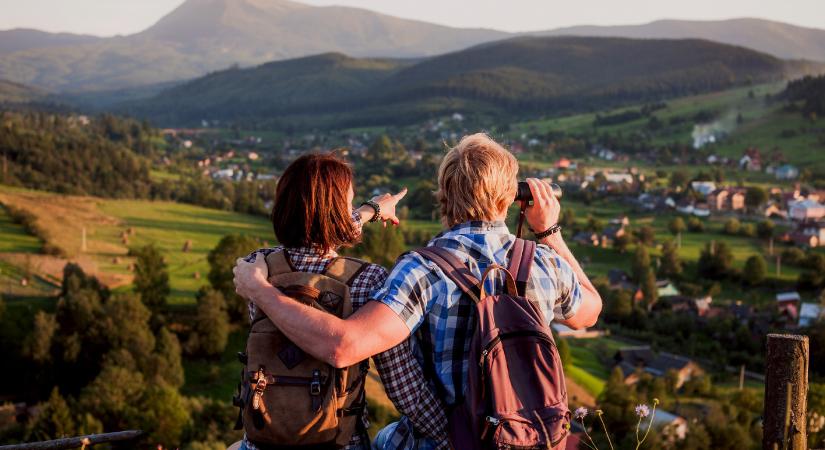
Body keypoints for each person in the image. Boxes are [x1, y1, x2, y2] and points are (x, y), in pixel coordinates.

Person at [234, 134, 603, 448]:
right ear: (509, 198)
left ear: (444, 194)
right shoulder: (546, 264)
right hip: (528, 436)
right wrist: (549, 232)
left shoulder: (421, 270)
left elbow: (346, 343)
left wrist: (261, 290)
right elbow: (591, 311)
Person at [234, 152, 446, 450]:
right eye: (346, 203)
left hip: (262, 440)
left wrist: (369, 210)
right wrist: (452, 434)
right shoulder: (367, 280)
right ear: (336, 213)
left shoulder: (257, 268)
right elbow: (402, 386)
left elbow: (315, 234)